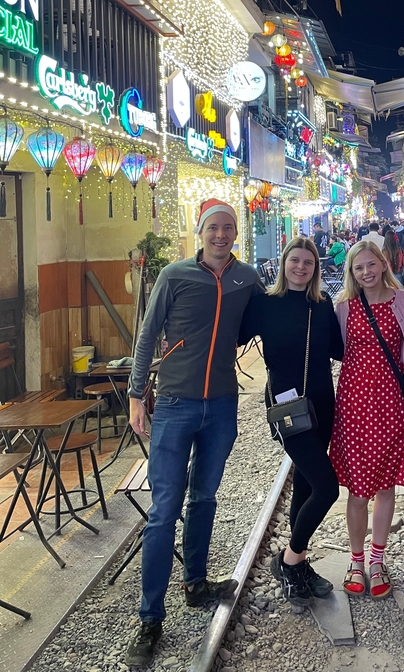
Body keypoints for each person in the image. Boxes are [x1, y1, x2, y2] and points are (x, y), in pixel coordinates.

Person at [125, 199, 263, 667]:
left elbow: (267, 321)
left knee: (204, 497)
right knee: (163, 511)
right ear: (200, 232)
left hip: (221, 404)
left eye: (228, 228)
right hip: (175, 404)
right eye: (213, 228)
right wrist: (135, 394)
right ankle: (149, 617)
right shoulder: (174, 275)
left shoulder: (247, 279)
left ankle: (196, 583)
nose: (221, 235)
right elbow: (147, 335)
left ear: (236, 233)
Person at [238, 237, 344, 605]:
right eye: (295, 261)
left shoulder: (322, 303)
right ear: (284, 264)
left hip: (321, 402)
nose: (301, 267)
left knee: (305, 484)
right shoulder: (264, 303)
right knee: (327, 488)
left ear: (315, 268)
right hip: (286, 408)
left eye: (308, 263)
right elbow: (231, 336)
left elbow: (338, 350)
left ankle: (296, 563)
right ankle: (289, 559)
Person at [331, 241, 404, 597]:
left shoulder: (403, 302)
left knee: (385, 485)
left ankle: (377, 559)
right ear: (352, 272)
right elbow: (338, 350)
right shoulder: (344, 307)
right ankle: (356, 559)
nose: (366, 272)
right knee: (357, 489)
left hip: (392, 403)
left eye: (371, 265)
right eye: (359, 268)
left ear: (384, 265)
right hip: (354, 404)